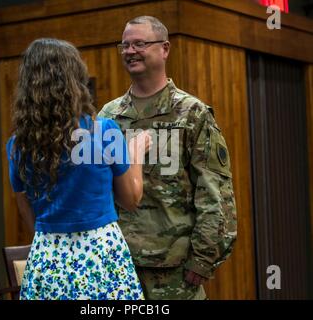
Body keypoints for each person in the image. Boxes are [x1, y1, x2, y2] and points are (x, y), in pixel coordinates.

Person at [98, 16, 237, 300]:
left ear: (165, 49)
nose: (130, 51)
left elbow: (215, 194)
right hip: (120, 268)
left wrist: (203, 258)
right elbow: (97, 190)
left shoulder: (191, 114)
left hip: (175, 272)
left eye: (139, 43)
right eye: (124, 45)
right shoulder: (107, 117)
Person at [6, 38, 152, 300]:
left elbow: (28, 213)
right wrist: (136, 152)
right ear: (75, 81)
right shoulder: (104, 131)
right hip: (101, 257)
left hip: (47, 258)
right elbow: (131, 199)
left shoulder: (17, 146)